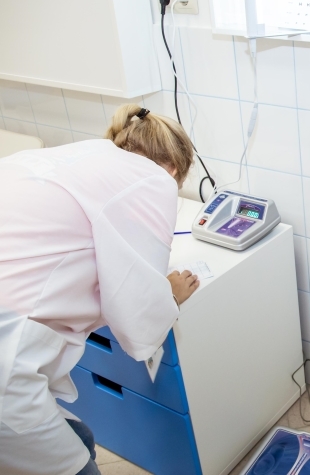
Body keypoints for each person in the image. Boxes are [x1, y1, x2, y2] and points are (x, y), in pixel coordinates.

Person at [0, 104, 201, 475]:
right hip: (6, 359)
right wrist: (169, 294)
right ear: (174, 169)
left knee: (80, 438)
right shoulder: (152, 179)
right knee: (77, 467)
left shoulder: (75, 156)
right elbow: (138, 323)